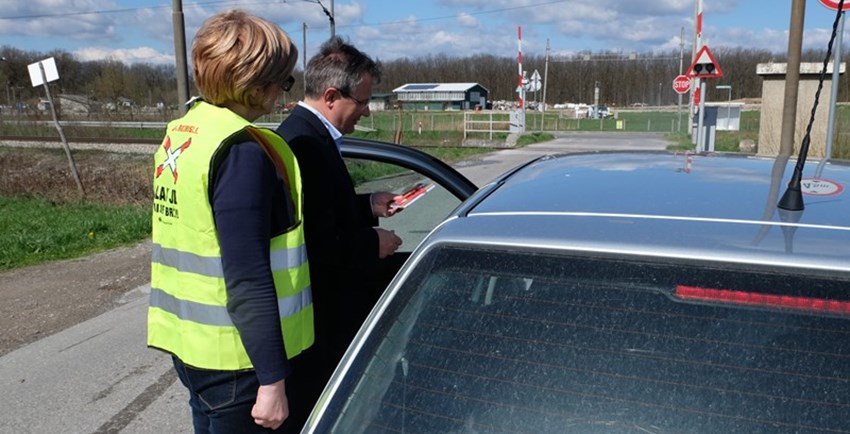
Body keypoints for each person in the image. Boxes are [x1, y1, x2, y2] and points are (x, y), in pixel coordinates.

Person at [147, 10, 313, 433]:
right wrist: (273, 380)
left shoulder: (184, 134)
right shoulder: (241, 152)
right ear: (255, 84)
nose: (282, 91)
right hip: (239, 364)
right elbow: (248, 277)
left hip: (194, 350)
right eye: (283, 80)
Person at [275, 36, 404, 428]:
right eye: (362, 102)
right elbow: (317, 241)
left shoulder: (309, 134)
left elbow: (322, 210)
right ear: (332, 96)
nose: (366, 112)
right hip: (322, 321)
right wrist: (373, 243)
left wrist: (366, 206)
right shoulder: (304, 144)